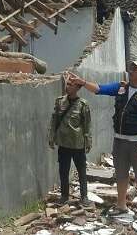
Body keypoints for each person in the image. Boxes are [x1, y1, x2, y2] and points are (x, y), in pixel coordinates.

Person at [68, 60, 137, 219]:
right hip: (120, 140)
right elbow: (99, 89)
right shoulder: (121, 87)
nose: (131, 69)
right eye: (131, 67)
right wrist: (82, 82)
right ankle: (121, 205)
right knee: (121, 175)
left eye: (135, 68)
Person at [48, 75, 92, 206]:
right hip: (63, 143)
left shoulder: (83, 104)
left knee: (81, 171)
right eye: (67, 84)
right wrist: (51, 137)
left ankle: (84, 196)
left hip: (77, 144)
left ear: (77, 88)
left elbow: (87, 125)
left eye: (70, 85)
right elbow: (54, 120)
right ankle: (64, 196)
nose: (67, 87)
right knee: (63, 171)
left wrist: (88, 141)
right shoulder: (60, 102)